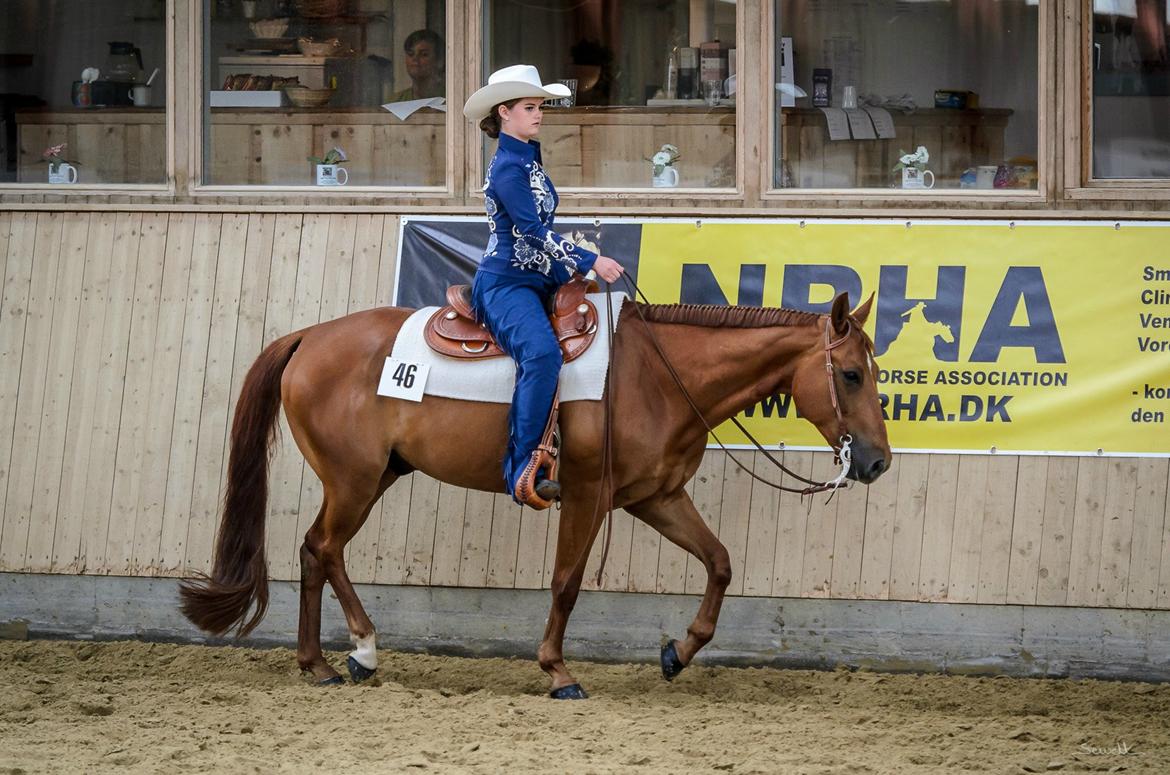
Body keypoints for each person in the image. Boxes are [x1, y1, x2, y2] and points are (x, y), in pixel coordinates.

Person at [462, 64, 625, 509]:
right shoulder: (508, 170)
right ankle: (523, 469)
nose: (539, 115)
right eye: (530, 107)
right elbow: (531, 231)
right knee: (542, 354)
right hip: (506, 283)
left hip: (538, 276)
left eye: (540, 107)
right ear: (505, 112)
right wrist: (590, 259)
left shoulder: (527, 158)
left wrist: (568, 270)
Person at [389, 29, 444, 102]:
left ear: (439, 61)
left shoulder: (451, 99)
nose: (415, 59)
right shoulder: (395, 101)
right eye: (411, 54)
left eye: (424, 54)